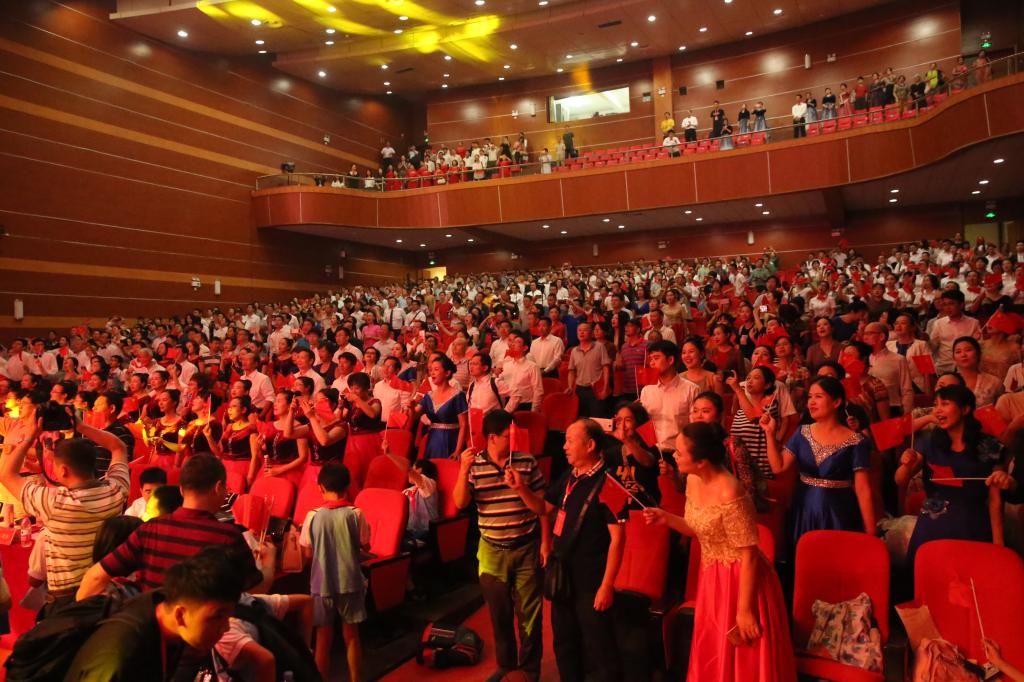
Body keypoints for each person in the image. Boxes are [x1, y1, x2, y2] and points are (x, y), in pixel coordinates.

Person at [644, 421, 796, 681]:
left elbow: (749, 554)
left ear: (701, 461)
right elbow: (698, 529)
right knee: (714, 650)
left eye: (679, 452)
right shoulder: (693, 480)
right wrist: (666, 518)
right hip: (712, 577)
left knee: (745, 658)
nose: (674, 456)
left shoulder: (731, 492)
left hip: (742, 582)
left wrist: (744, 609)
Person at [76, 453, 260, 600]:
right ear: (219, 487)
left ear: (181, 489)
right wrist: (267, 563)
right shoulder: (228, 536)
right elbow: (253, 591)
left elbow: (96, 576)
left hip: (151, 627)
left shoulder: (150, 529)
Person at [0, 411, 130, 617]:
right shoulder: (115, 491)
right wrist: (82, 427)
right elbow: (118, 447)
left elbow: (6, 474)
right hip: (105, 593)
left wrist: (31, 435)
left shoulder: (54, 502)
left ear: (63, 471)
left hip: (67, 600)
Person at [64, 545, 252, 681]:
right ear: (180, 615)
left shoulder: (162, 608)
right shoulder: (120, 657)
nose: (225, 627)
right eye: (218, 616)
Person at [453, 409, 546, 682]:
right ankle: (506, 668)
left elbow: (542, 507)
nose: (513, 439)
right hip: (492, 551)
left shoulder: (526, 462)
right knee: (499, 615)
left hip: (526, 547)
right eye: (508, 435)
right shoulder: (474, 465)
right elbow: (460, 502)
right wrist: (463, 470)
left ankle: (529, 671)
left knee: (530, 617)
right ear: (491, 437)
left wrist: (520, 488)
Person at [536, 419, 625, 682]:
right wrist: (519, 487)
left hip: (592, 581)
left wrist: (607, 585)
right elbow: (542, 509)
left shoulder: (612, 482)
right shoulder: (568, 476)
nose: (564, 447)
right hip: (563, 576)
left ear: (590, 445)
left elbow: (618, 540)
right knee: (564, 642)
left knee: (599, 648)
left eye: (570, 441)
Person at [897, 384, 1004, 569]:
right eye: (935, 404)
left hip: (972, 525)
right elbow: (900, 480)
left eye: (945, 404)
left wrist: (998, 543)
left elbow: (995, 498)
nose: (937, 410)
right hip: (932, 527)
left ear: (965, 409)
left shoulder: (989, 445)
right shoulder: (929, 442)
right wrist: (906, 464)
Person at [764, 376, 875, 545]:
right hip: (804, 508)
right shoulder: (802, 432)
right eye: (810, 397)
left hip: (839, 511)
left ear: (836, 402)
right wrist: (769, 434)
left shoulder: (856, 441)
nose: (811, 402)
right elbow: (778, 467)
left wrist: (871, 531)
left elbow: (863, 488)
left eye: (818, 396)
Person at [298, 463, 369, 682]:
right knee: (352, 636)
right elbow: (365, 544)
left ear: (320, 487)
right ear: (348, 486)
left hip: (322, 585)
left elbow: (307, 552)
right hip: (350, 582)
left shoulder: (312, 516)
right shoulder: (356, 513)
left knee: (322, 640)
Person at [640, 340, 699, 453]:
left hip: (679, 452)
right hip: (651, 451)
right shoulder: (646, 390)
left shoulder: (691, 389)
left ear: (670, 360)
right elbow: (644, 425)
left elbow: (694, 427)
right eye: (650, 359)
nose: (651, 363)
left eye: (656, 358)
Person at [411, 355, 468, 458]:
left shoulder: (458, 395)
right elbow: (414, 416)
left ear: (447, 373)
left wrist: (458, 450)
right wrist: (411, 407)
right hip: (433, 440)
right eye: (431, 370)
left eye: (436, 369)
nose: (432, 373)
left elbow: (463, 425)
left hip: (451, 440)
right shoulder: (429, 395)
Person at [929, 289, 981, 373]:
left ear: (961, 305)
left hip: (966, 367)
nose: (947, 308)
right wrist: (926, 340)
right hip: (944, 367)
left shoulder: (974, 323)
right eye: (944, 304)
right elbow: (932, 347)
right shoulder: (938, 323)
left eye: (951, 304)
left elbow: (977, 347)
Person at [566, 323, 611, 418]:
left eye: (585, 330)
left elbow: (606, 368)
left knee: (597, 418)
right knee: (582, 419)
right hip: (579, 389)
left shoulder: (599, 347)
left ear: (591, 333)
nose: (581, 332)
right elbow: (571, 371)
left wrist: (605, 387)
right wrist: (570, 386)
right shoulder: (574, 351)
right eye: (579, 330)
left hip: (595, 389)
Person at [951, 336, 1003, 407]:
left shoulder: (994, 382)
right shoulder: (948, 382)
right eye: (958, 352)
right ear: (953, 358)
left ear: (978, 353)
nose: (963, 355)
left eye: (968, 350)